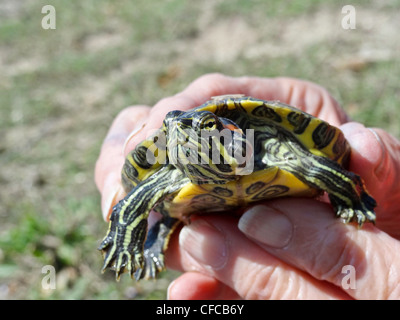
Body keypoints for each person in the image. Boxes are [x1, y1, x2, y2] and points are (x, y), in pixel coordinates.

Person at [95, 73, 400, 299]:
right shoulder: (174, 171)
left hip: (266, 187)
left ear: (236, 137)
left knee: (311, 165)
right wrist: (126, 239)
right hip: (199, 200)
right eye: (176, 132)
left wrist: (348, 196)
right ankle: (161, 230)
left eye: (205, 130)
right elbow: (132, 199)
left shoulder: (274, 146)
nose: (183, 133)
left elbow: (316, 163)